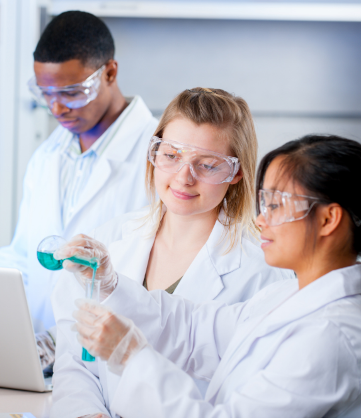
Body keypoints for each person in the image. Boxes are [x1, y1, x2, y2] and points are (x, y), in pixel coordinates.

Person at [67, 134, 361, 418]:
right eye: (264, 203)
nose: (261, 220)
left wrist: (130, 356)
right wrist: (111, 285)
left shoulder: (330, 337)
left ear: (328, 219)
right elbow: (194, 330)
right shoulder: (286, 296)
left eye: (276, 205)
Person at [50, 88, 294, 418]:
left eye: (207, 165)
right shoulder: (110, 238)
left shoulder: (264, 272)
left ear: (236, 172)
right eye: (171, 155)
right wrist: (84, 412)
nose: (184, 177)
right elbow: (75, 360)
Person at [0, 11, 157, 366]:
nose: (56, 108)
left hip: (110, 364)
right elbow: (22, 257)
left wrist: (63, 339)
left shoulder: (160, 159)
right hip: (39, 359)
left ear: (109, 73)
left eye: (71, 92)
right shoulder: (48, 155)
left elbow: (154, 284)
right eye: (46, 93)